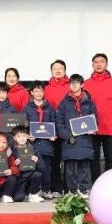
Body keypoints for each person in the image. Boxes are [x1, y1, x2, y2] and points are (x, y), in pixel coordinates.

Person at [83, 53, 112, 181]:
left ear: (106, 64)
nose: (99, 64)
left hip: (110, 126)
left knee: (110, 158)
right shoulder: (86, 84)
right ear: (92, 65)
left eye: (102, 61)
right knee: (93, 158)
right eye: (96, 62)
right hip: (92, 128)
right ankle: (95, 184)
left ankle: (109, 184)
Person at [56, 74, 98, 194]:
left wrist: (93, 128)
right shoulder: (64, 103)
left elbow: (95, 119)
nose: (73, 85)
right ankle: (72, 190)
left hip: (85, 139)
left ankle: (84, 190)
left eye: (76, 83)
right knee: (70, 168)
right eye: (71, 83)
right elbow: (59, 122)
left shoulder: (89, 102)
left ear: (82, 85)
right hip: (69, 140)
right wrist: (67, 136)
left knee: (84, 167)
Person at [24, 81, 58, 199]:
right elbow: (23, 126)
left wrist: (54, 134)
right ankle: (34, 190)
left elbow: (54, 123)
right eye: (36, 91)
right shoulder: (26, 108)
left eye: (41, 91)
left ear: (44, 92)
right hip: (32, 144)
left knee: (46, 168)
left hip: (46, 144)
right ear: (31, 93)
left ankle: (46, 189)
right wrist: (27, 135)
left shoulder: (50, 108)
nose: (38, 93)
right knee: (33, 167)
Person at [43, 60, 70, 195]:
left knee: (69, 159)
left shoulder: (71, 86)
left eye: (61, 68)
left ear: (65, 70)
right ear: (51, 71)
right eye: (55, 68)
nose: (58, 70)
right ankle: (56, 188)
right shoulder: (46, 89)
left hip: (67, 128)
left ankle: (70, 187)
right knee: (54, 160)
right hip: (51, 129)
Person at [11, 126, 44, 203]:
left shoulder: (34, 149)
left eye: (24, 136)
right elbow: (8, 168)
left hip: (31, 175)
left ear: (28, 136)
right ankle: (21, 192)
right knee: (18, 198)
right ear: (14, 138)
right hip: (20, 178)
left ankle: (33, 194)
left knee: (37, 174)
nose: (22, 138)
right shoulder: (12, 150)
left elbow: (42, 168)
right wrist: (15, 164)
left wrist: (37, 161)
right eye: (18, 136)